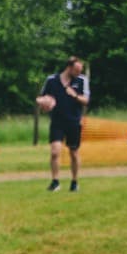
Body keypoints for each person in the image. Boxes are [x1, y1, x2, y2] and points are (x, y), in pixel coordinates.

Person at [38, 57, 90, 192]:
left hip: (74, 122)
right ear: (69, 67)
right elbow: (41, 97)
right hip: (57, 122)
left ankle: (74, 182)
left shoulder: (82, 80)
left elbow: (86, 100)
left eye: (80, 70)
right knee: (55, 152)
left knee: (73, 153)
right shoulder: (51, 80)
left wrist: (75, 96)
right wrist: (44, 103)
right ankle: (55, 182)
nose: (79, 73)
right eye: (77, 70)